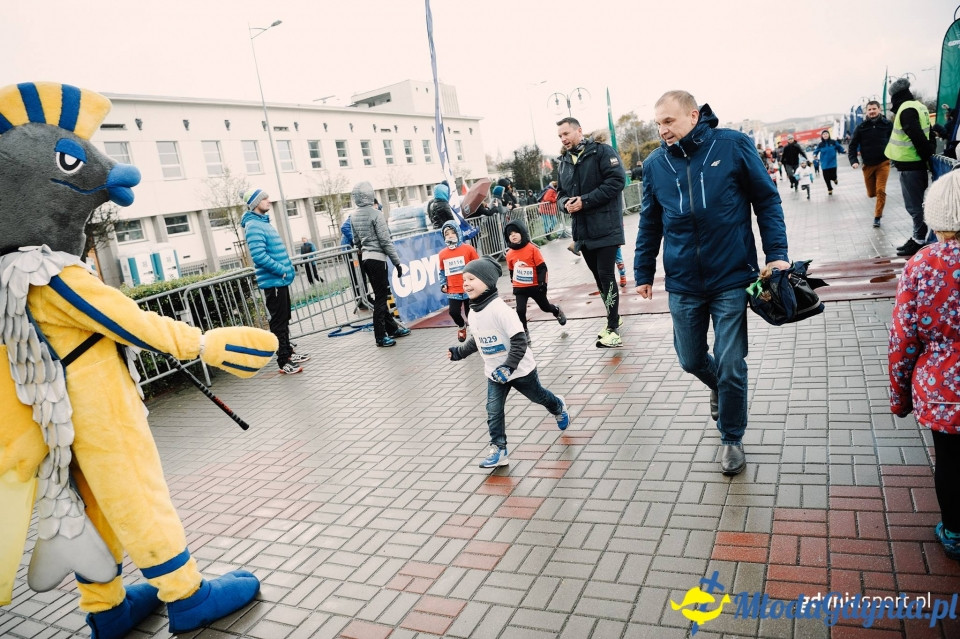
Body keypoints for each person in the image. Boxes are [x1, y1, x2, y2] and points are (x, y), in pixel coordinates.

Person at [634, 90, 790, 476]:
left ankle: (731, 437)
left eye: (668, 121)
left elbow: (767, 201)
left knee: (732, 363)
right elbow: (650, 222)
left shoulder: (733, 145)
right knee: (689, 359)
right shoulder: (655, 165)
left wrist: (777, 253)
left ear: (692, 115)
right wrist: (643, 271)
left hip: (732, 276)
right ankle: (719, 388)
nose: (662, 130)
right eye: (657, 124)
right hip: (683, 281)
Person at [888, 169, 960, 560]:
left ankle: (954, 531)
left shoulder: (923, 264)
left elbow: (903, 339)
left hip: (943, 392)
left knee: (949, 462)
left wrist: (900, 397)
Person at [446, 257, 570, 469]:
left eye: (471, 279)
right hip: (494, 374)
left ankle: (558, 406)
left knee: (538, 396)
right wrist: (459, 352)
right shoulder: (473, 312)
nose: (465, 283)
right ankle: (499, 449)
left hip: (520, 370)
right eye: (463, 279)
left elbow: (519, 341)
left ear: (487, 281)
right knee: (493, 410)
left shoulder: (501, 311)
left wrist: (509, 367)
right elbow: (477, 339)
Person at [555, 116, 627, 348]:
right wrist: (565, 203)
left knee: (606, 276)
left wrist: (584, 201)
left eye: (566, 134)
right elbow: (560, 195)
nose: (563, 139)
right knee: (598, 278)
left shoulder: (602, 152)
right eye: (560, 136)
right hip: (583, 231)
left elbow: (616, 182)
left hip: (606, 227)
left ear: (579, 130)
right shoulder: (564, 161)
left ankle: (613, 328)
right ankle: (612, 317)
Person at [241, 189, 310, 374]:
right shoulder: (254, 226)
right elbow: (259, 256)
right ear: (255, 203)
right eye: (264, 198)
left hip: (279, 281)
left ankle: (288, 351)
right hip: (274, 282)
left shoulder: (263, 223)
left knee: (284, 318)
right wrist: (282, 271)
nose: (269, 201)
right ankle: (283, 361)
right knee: (279, 322)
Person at [350, 181, 411, 347]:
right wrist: (397, 263)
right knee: (381, 298)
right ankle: (380, 336)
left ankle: (392, 329)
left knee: (379, 295)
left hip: (366, 259)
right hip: (378, 259)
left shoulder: (353, 216)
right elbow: (385, 241)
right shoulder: (376, 214)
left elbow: (356, 241)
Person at [885, 77, 937, 257]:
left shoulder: (906, 109)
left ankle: (919, 240)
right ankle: (918, 237)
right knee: (916, 205)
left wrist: (927, 158)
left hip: (911, 165)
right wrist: (929, 157)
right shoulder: (919, 107)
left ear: (896, 96)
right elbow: (929, 134)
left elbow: (917, 137)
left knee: (914, 206)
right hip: (913, 164)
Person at [503, 219, 567, 343]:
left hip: (536, 286)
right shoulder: (509, 254)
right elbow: (512, 271)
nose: (513, 235)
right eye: (510, 234)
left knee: (545, 307)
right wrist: (513, 283)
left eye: (516, 232)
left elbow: (542, 268)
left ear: (522, 232)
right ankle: (524, 332)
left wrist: (543, 284)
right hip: (520, 287)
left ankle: (556, 310)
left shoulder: (532, 249)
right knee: (520, 310)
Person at [848, 100, 894, 228]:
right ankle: (880, 201)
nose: (872, 111)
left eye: (874, 109)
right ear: (866, 112)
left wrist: (895, 157)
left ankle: (877, 217)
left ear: (879, 109)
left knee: (880, 190)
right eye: (869, 109)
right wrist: (854, 161)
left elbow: (895, 140)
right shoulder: (861, 127)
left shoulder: (887, 124)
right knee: (871, 193)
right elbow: (852, 146)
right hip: (868, 164)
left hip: (883, 162)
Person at [438, 220, 479, 342]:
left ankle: (474, 333)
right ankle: (461, 326)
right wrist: (443, 284)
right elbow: (442, 271)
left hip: (468, 287)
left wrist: (477, 281)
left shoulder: (468, 249)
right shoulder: (442, 254)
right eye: (447, 234)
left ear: (458, 233)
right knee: (453, 312)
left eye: (452, 232)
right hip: (453, 289)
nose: (450, 235)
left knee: (470, 313)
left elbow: (477, 265)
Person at [340, 215, 373, 313]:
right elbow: (344, 228)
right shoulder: (356, 215)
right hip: (350, 252)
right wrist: (356, 241)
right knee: (356, 277)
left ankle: (367, 298)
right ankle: (361, 302)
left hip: (358, 251)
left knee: (362, 275)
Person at [813, 130, 844, 195]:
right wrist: (815, 155)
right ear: (822, 136)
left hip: (833, 163)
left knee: (833, 176)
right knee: (826, 177)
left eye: (826, 134)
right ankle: (829, 189)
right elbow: (816, 151)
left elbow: (839, 148)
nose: (825, 135)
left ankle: (835, 179)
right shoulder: (820, 144)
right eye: (824, 134)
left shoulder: (833, 142)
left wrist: (844, 151)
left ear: (829, 135)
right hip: (824, 164)